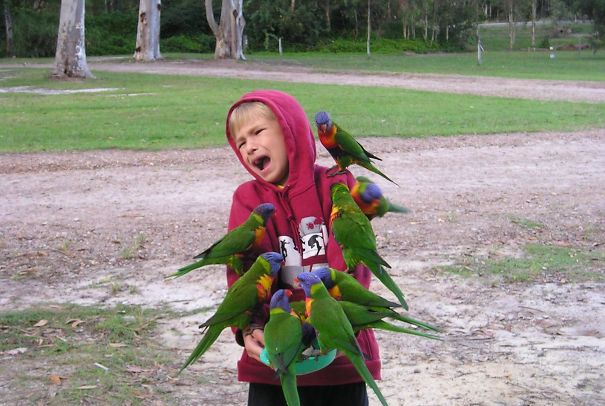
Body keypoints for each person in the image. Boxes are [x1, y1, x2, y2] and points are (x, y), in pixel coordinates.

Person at [225, 89, 380, 406]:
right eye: (240, 143)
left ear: (290, 130)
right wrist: (249, 326)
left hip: (340, 360)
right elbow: (243, 275)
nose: (249, 146)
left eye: (257, 132)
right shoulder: (247, 200)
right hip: (275, 361)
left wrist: (323, 321)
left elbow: (352, 265)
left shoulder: (338, 184)